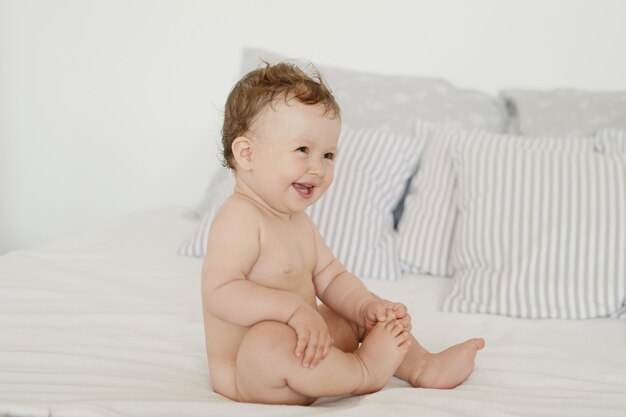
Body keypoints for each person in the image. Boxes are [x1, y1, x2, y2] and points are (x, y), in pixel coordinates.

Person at [201, 61, 485, 405]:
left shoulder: (298, 222)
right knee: (265, 346)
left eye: (328, 154)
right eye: (302, 150)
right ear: (247, 154)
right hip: (251, 375)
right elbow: (220, 292)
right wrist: (293, 310)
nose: (317, 168)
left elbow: (332, 277)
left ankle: (422, 366)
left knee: (346, 312)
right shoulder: (239, 217)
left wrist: (367, 307)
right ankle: (363, 371)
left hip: (306, 351)